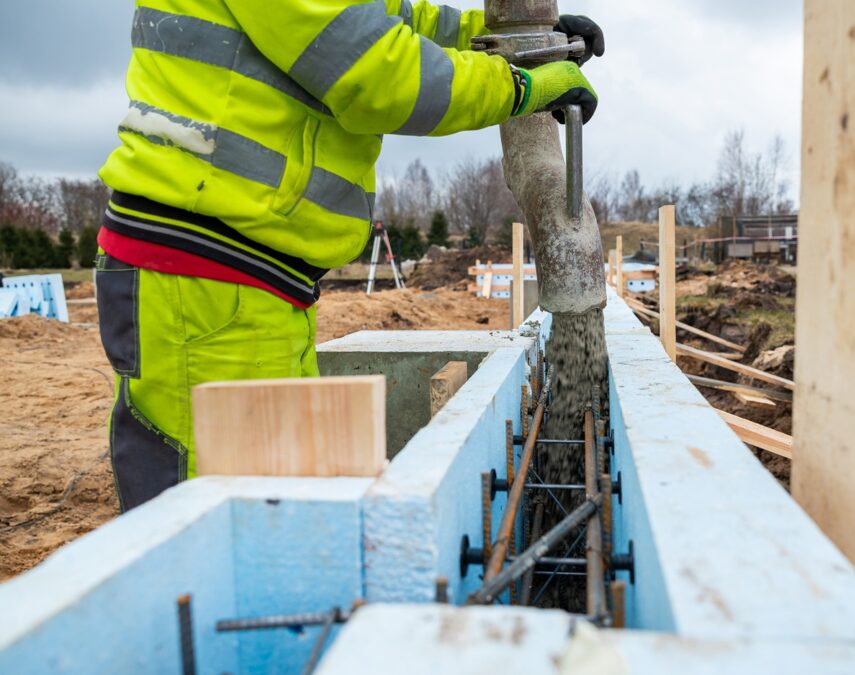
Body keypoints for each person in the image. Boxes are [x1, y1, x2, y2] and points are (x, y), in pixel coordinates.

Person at [95, 1, 604, 511]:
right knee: (214, 516)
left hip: (251, 274)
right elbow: (377, 72)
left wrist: (513, 38)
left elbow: (394, 20)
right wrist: (519, 87)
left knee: (275, 495)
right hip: (204, 270)